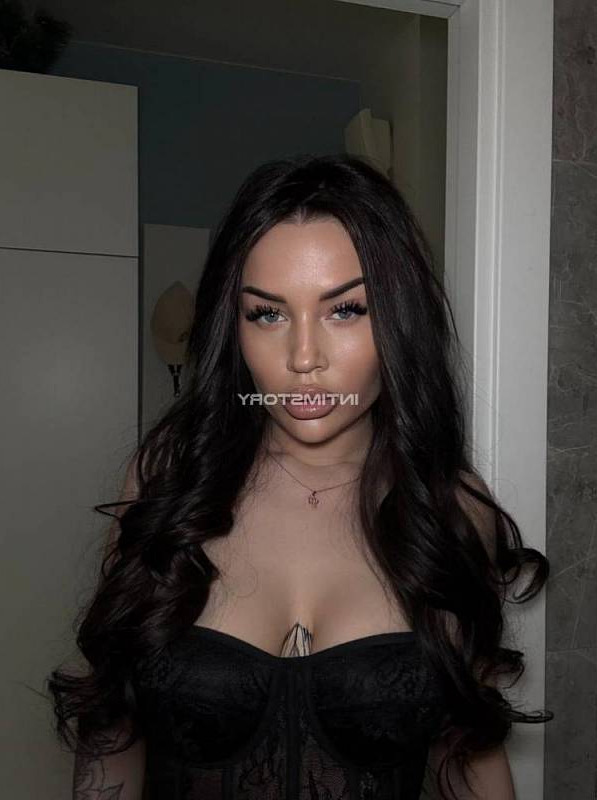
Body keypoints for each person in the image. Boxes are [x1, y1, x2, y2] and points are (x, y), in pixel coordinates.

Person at [47, 153, 552, 800]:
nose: (303, 357)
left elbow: (467, 752)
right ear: (232, 326)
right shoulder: (169, 480)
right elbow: (111, 725)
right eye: (268, 314)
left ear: (399, 319)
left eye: (346, 310)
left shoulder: (451, 508)